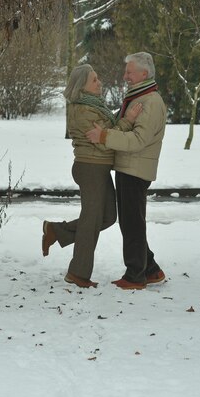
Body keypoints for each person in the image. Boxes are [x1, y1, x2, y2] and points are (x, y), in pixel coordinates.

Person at [42, 64, 141, 288]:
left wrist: (122, 118)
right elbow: (107, 141)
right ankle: (78, 273)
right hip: (90, 168)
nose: (99, 83)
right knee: (90, 221)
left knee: (107, 217)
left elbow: (108, 130)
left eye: (98, 78)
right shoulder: (83, 110)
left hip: (98, 168)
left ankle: (56, 231)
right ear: (82, 86)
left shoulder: (93, 106)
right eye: (94, 80)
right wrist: (129, 120)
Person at [86, 52, 166, 290]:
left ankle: (135, 276)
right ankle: (151, 269)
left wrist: (104, 136)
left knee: (132, 224)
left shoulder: (149, 102)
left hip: (135, 168)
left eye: (129, 72)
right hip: (130, 166)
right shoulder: (139, 98)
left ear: (144, 73)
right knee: (132, 222)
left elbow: (138, 140)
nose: (125, 76)